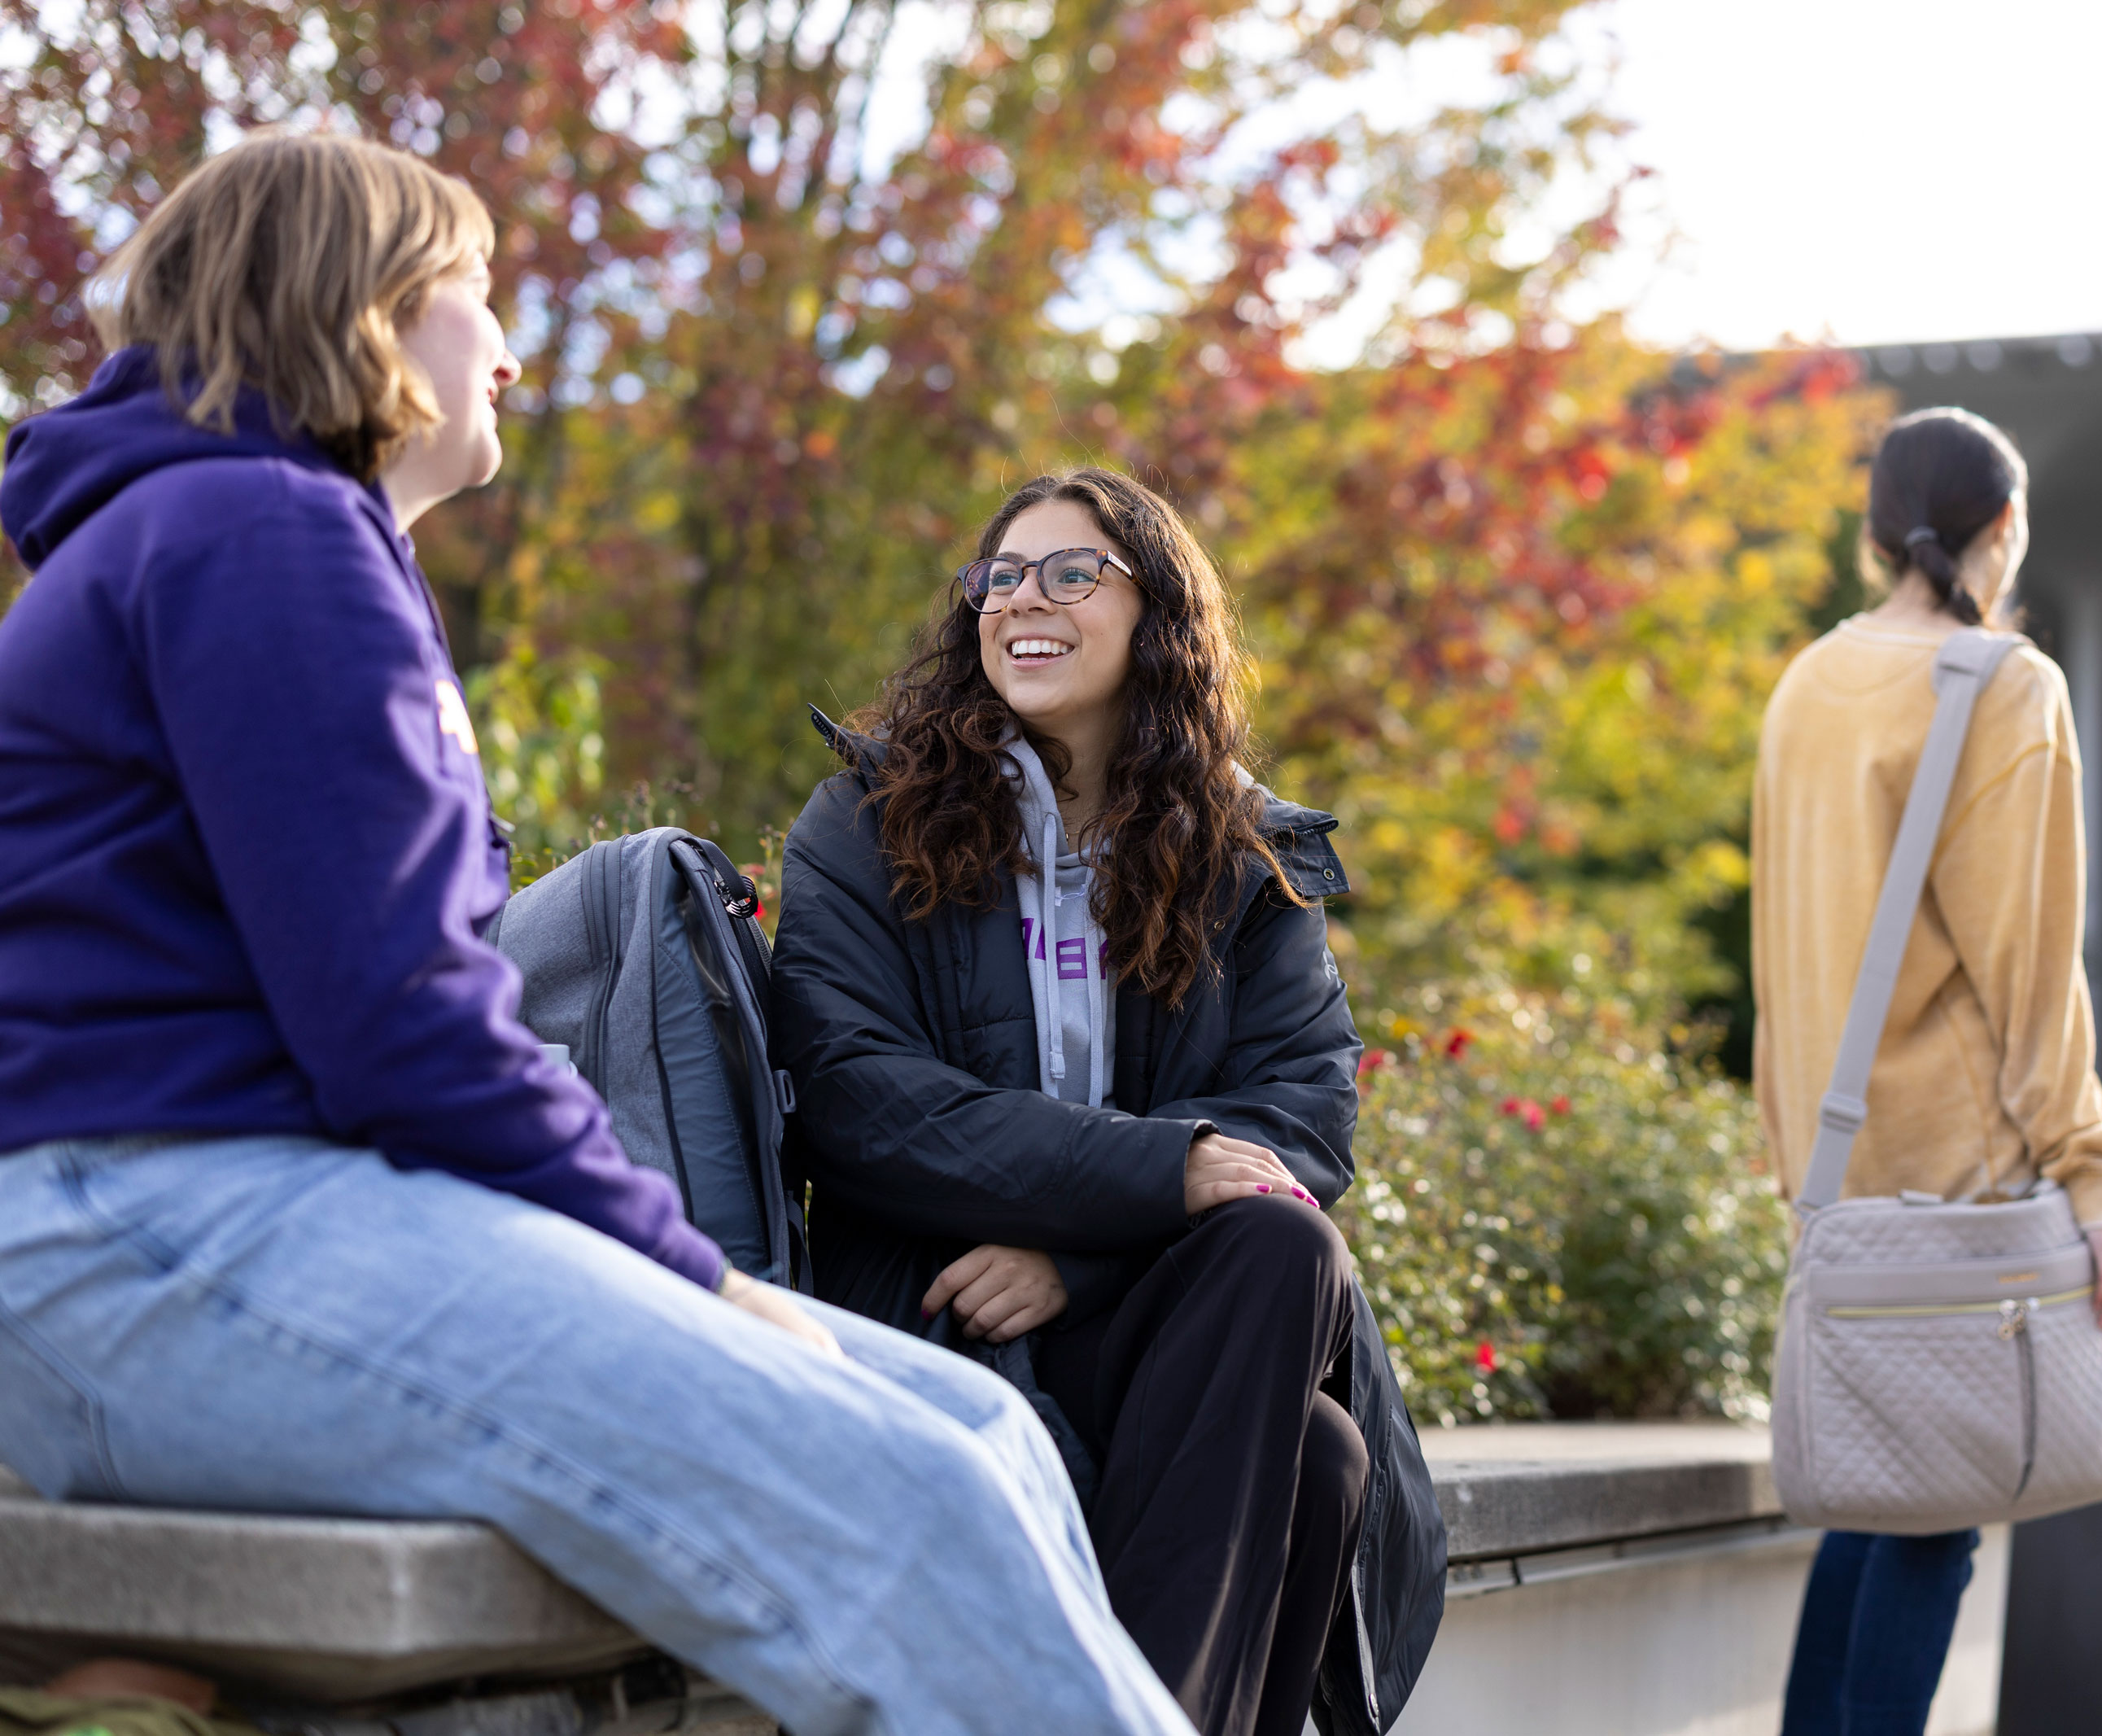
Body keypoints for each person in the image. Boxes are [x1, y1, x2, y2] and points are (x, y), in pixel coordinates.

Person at [0, 132, 1191, 1736]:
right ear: (370, 311)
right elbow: (403, 1017)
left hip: (160, 1226)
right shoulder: (261, 535)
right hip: (144, 1227)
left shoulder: (228, 534)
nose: (504, 346)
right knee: (913, 1498)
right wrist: (683, 1264)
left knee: (982, 1430)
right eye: (475, 295)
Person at [767, 466, 1443, 1736]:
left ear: (1159, 617)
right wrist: (1155, 1173)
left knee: (1285, 1238)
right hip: (934, 1298)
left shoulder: (1240, 853)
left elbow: (1302, 1112)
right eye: (1001, 576)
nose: (1026, 598)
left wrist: (1082, 1251)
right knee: (1315, 1458)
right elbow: (860, 1101)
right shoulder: (867, 819)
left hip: (1124, 1302)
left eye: (1073, 572)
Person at [1752, 407, 2102, 1736]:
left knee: (1885, 1498)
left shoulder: (1808, 679)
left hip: (1832, 1155)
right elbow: (2031, 963)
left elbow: (1778, 941)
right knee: (1935, 1523)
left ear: (1875, 536)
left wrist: (1790, 1151)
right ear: (2006, 528)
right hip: (1959, 1156)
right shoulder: (2004, 681)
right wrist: (2097, 1177)